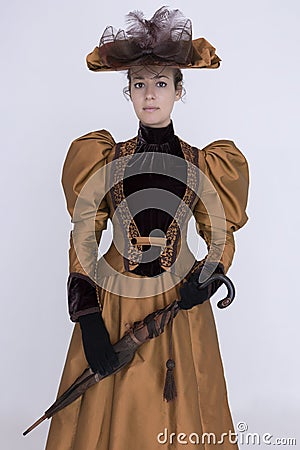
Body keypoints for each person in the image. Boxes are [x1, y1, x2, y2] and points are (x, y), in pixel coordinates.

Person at [45, 6, 249, 450]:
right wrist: (88, 318)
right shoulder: (105, 158)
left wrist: (208, 278)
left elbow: (221, 232)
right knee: (111, 399)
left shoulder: (203, 163)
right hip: (114, 299)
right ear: (129, 93)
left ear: (179, 91)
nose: (149, 95)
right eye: (139, 84)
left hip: (180, 302)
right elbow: (85, 233)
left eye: (160, 84)